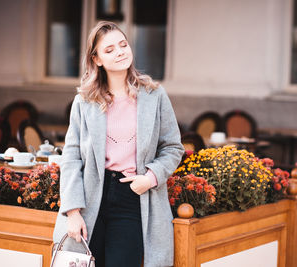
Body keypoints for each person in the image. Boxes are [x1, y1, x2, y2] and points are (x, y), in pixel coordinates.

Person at [53, 21, 184, 267]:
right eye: (110, 49)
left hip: (133, 195)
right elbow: (71, 158)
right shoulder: (84, 101)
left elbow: (173, 148)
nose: (120, 52)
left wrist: (151, 177)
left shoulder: (154, 95)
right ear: (97, 59)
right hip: (92, 197)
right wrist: (72, 212)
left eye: (123, 45)